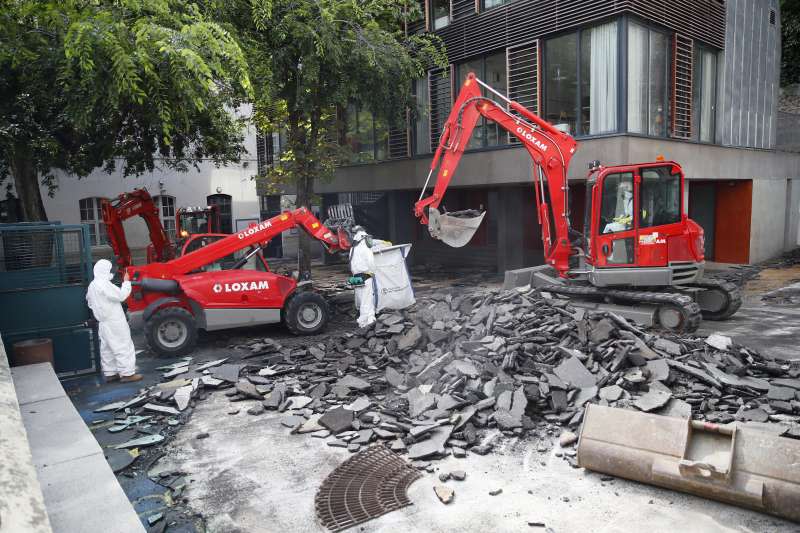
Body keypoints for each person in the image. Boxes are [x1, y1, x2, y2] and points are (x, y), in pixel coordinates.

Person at [86, 259, 141, 382]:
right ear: (105, 271)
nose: (112, 273)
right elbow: (121, 295)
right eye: (110, 270)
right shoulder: (104, 284)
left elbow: (90, 303)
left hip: (103, 322)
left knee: (107, 348)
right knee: (123, 346)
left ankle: (110, 373)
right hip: (114, 321)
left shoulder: (92, 285)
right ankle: (127, 374)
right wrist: (126, 282)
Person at [348, 226, 376, 328]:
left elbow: (350, 265)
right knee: (367, 300)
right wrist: (373, 272)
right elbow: (371, 262)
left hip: (355, 277)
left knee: (360, 300)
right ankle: (366, 322)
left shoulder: (352, 249)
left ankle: (365, 320)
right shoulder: (365, 248)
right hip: (365, 276)